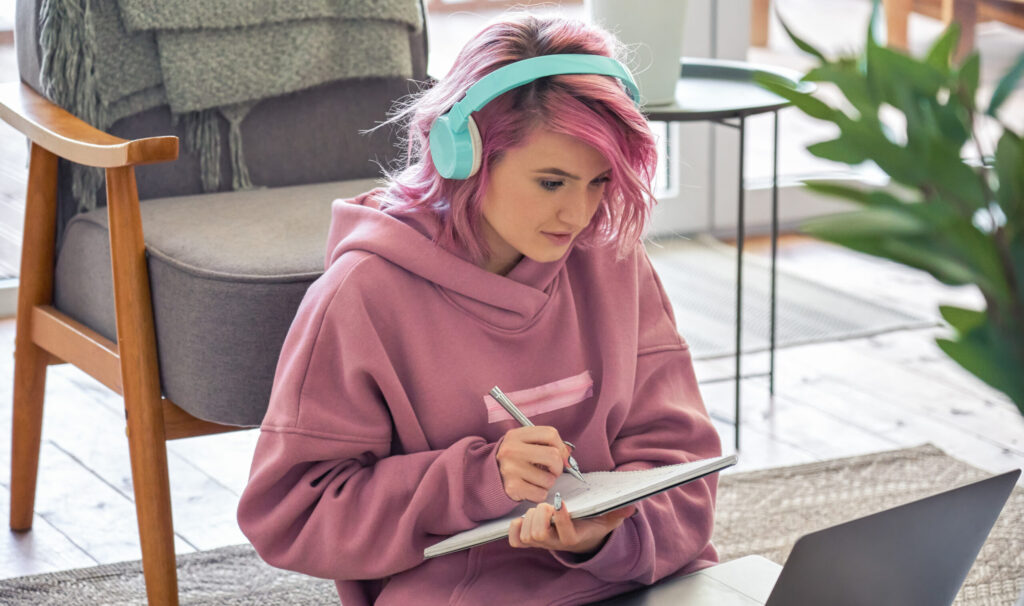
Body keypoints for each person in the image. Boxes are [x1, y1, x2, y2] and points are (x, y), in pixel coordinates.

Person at [237, 11, 722, 606]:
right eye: (552, 182)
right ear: (462, 154)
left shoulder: (612, 260)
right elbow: (294, 516)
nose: (579, 215)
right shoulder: (363, 294)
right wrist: (476, 481)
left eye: (598, 183)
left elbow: (685, 466)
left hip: (634, 576)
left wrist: (602, 539)